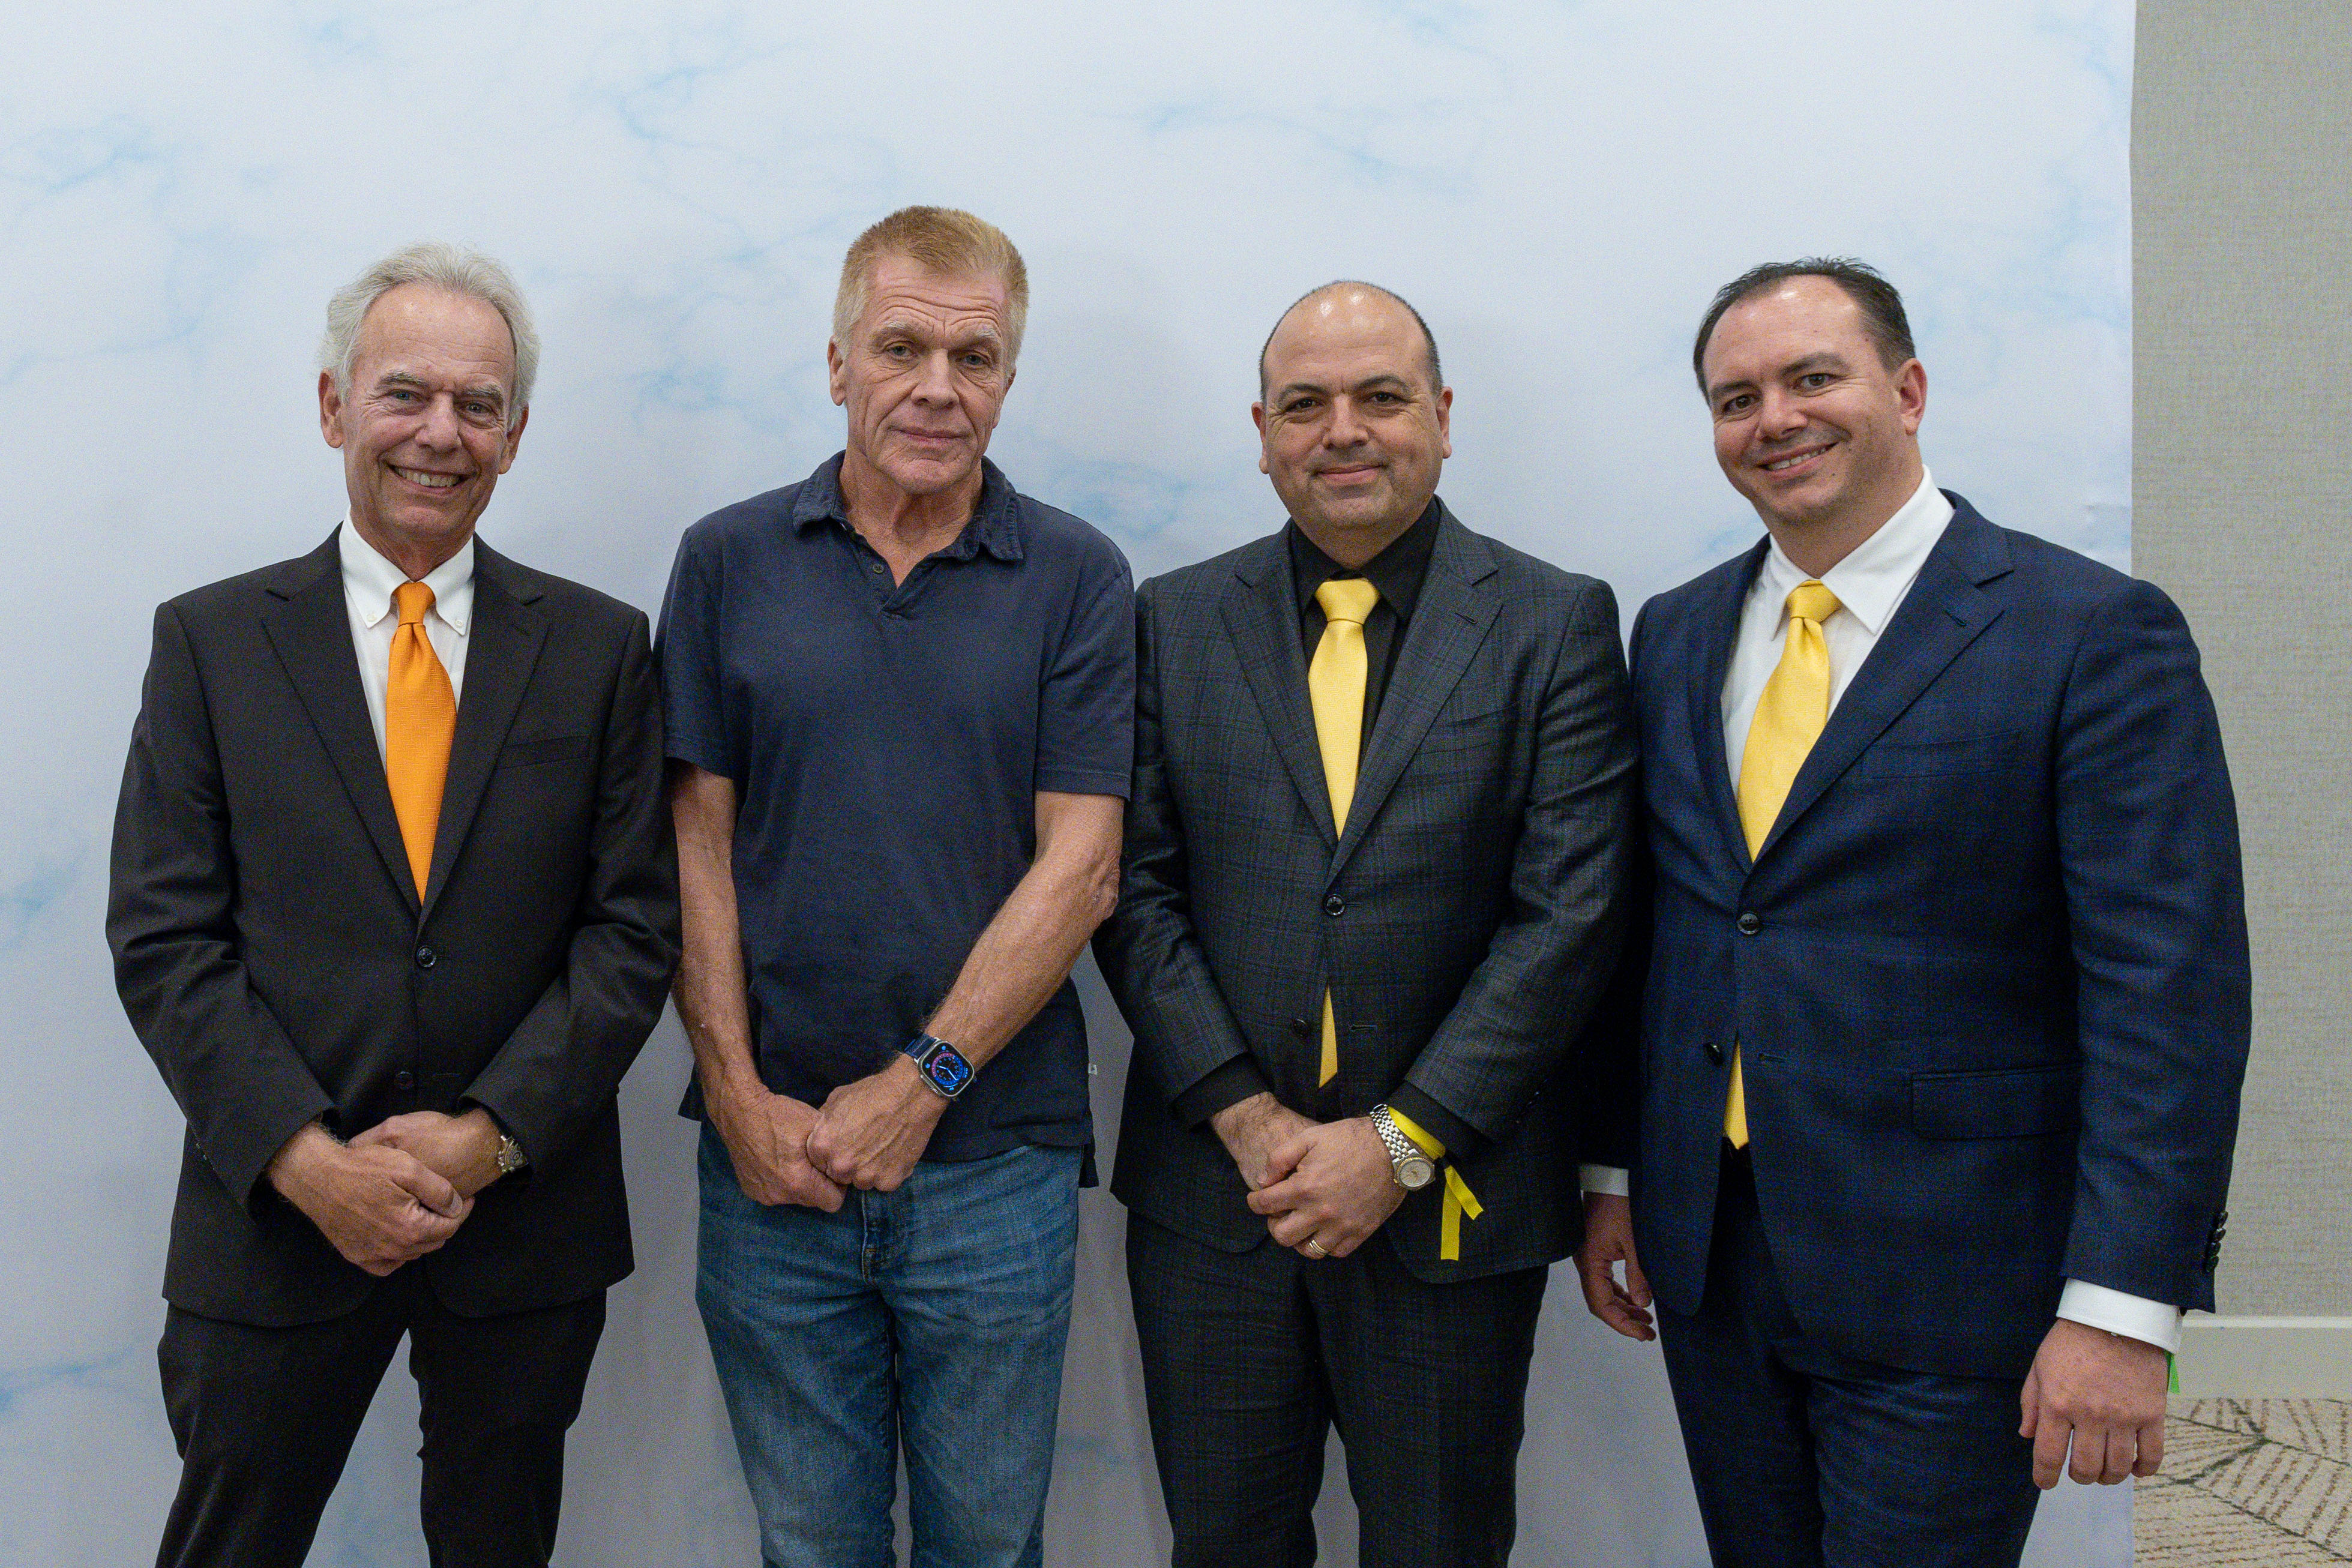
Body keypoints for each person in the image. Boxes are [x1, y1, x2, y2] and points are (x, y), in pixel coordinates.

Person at [1574, 259, 2249, 1566]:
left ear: (1908, 389)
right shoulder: (1675, 632)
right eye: (1736, 397)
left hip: (1957, 1277)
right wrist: (1616, 1170)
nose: (1775, 418)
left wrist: (2123, 1303)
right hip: (1712, 1262)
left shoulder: (2089, 631)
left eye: (1812, 377)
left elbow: (2167, 991)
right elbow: (1653, 931)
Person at [107, 242, 680, 1568]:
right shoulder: (210, 642)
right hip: (273, 1218)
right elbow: (165, 937)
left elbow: (632, 931)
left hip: (519, 1223)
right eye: (405, 393)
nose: (441, 432)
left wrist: (488, 1138)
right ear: (334, 408)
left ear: (515, 436)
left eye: (479, 404)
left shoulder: (600, 648)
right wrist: (310, 1162)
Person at [1094, 281, 1637, 1567]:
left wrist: (1397, 1145)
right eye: (1305, 404)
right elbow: (1134, 889)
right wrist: (1250, 1119)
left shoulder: (1554, 619)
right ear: (1263, 433)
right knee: (1223, 1545)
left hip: (1449, 1204)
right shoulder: (1171, 618)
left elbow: (1568, 915)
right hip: (1218, 1201)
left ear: (1442, 416)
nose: (1342, 430)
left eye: (1380, 397)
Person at [658, 206, 1133, 1568]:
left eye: (973, 358)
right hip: (772, 1159)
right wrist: (735, 1092)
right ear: (836, 364)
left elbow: (1083, 865)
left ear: (1008, 379)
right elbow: (692, 843)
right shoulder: (727, 559)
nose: (937, 387)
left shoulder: (1079, 575)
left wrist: (922, 1081)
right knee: (811, 1543)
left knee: (988, 1544)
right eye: (900, 347)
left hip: (995, 1166)